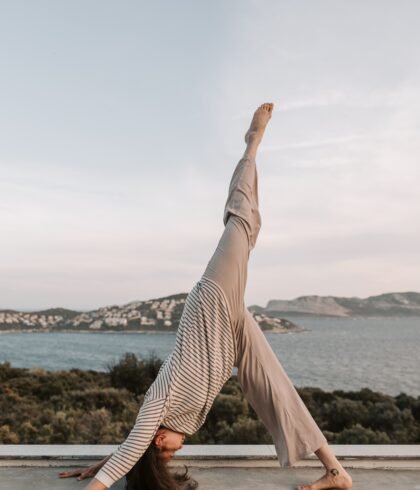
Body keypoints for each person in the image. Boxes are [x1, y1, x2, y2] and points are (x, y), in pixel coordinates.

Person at [59, 103, 353, 490]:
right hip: (228, 336)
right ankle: (336, 471)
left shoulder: (157, 407)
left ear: (158, 439)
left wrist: (100, 478)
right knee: (273, 385)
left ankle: (252, 144)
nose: (176, 453)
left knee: (241, 221)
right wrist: (103, 463)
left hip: (211, 304)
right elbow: (133, 450)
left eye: (167, 453)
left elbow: (134, 446)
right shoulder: (182, 422)